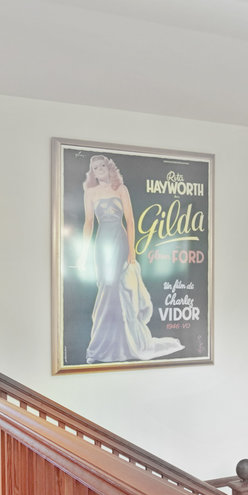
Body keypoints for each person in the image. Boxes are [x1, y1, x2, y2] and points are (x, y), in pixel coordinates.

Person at [80, 155, 183, 364]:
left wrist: (132, 252)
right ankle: (107, 343)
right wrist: (83, 252)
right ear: (93, 172)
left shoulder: (121, 189)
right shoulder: (90, 193)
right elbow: (89, 223)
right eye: (95, 167)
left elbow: (130, 221)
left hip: (119, 241)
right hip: (102, 244)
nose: (99, 169)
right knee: (105, 287)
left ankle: (116, 344)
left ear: (108, 167)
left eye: (102, 166)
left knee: (116, 287)